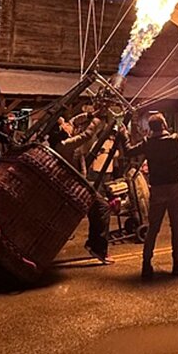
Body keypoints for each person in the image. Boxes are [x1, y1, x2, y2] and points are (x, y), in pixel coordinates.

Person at [121, 112, 178, 279]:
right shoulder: (174, 140)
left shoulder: (148, 143)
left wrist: (124, 134)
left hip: (157, 189)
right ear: (163, 125)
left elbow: (128, 151)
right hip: (174, 188)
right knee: (177, 227)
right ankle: (177, 264)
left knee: (153, 228)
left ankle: (146, 264)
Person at [52, 112, 114, 265]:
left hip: (80, 183)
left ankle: (94, 245)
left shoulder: (64, 141)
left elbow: (74, 119)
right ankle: (99, 249)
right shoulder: (64, 145)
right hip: (73, 187)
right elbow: (87, 135)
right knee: (103, 207)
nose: (69, 123)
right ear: (62, 131)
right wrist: (98, 119)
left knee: (98, 209)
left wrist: (90, 114)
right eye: (64, 124)